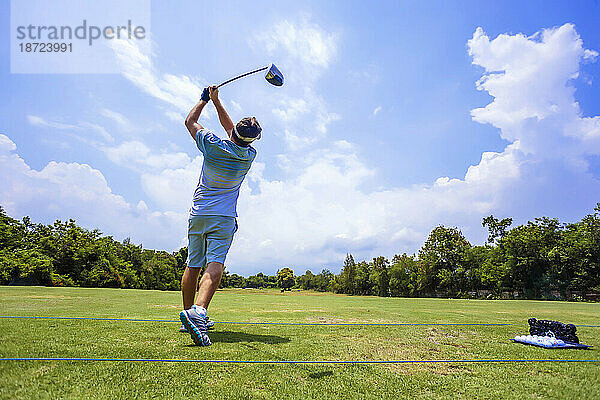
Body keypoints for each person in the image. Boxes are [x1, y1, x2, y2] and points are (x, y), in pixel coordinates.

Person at [179, 86, 261, 346]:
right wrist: (216, 101)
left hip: (198, 213)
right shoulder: (248, 155)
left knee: (193, 265)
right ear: (253, 139)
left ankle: (189, 313)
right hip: (223, 218)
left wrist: (206, 100)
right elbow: (234, 134)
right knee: (215, 264)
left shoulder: (212, 144)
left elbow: (190, 121)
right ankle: (198, 313)